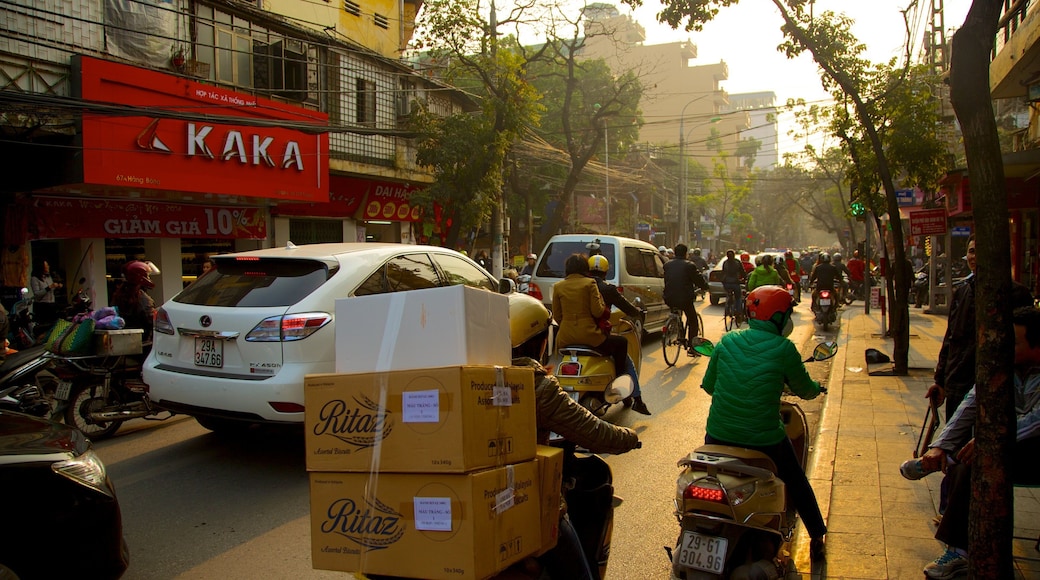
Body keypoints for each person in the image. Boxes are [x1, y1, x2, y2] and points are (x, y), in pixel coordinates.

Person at [911, 306, 1040, 579]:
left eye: (1015, 342)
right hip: (1008, 445)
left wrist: (990, 442)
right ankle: (942, 459)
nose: (1007, 347)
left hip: (1032, 449)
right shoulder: (1003, 365)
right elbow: (971, 403)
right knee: (967, 459)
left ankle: (959, 552)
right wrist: (941, 444)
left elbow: (1035, 421)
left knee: (975, 461)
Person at [700, 286, 828, 557]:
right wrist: (817, 388)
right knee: (795, 480)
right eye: (788, 313)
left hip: (717, 436)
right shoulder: (784, 349)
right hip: (764, 440)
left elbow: (709, 386)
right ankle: (817, 534)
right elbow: (804, 389)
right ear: (779, 317)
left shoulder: (727, 341)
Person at [511, 356, 639, 580]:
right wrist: (630, 437)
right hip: (528, 505)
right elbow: (593, 432)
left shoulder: (455, 379)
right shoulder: (534, 385)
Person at [551, 254, 631, 397]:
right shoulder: (589, 284)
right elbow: (598, 311)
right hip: (590, 336)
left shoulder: (558, 286)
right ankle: (618, 387)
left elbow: (557, 316)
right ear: (585, 268)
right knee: (621, 343)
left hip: (565, 338)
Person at [588, 255, 650, 415]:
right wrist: (638, 313)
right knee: (623, 348)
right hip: (595, 335)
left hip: (569, 336)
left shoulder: (574, 286)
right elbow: (625, 307)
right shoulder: (606, 289)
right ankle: (633, 394)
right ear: (606, 271)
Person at [663, 244, 710, 353]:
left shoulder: (667, 265)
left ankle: (678, 328)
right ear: (686, 253)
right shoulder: (689, 265)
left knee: (676, 311)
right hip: (685, 299)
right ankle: (692, 347)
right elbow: (698, 280)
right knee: (693, 320)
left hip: (669, 297)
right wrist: (705, 287)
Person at [111, 260, 157, 344]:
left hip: (126, 339)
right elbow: (151, 319)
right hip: (142, 341)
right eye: (147, 275)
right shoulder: (142, 298)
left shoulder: (120, 293)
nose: (149, 278)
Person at [30, 260, 62, 325]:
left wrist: (57, 286)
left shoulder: (48, 277)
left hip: (51, 304)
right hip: (42, 306)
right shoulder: (35, 279)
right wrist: (48, 287)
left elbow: (51, 288)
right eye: (46, 265)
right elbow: (37, 294)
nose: (48, 267)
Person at [720, 249, 747, 315]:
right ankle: (738, 311)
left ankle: (728, 306)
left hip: (726, 283)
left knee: (728, 293)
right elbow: (742, 272)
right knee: (738, 297)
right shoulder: (737, 262)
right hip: (735, 283)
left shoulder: (725, 263)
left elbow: (723, 273)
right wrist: (745, 278)